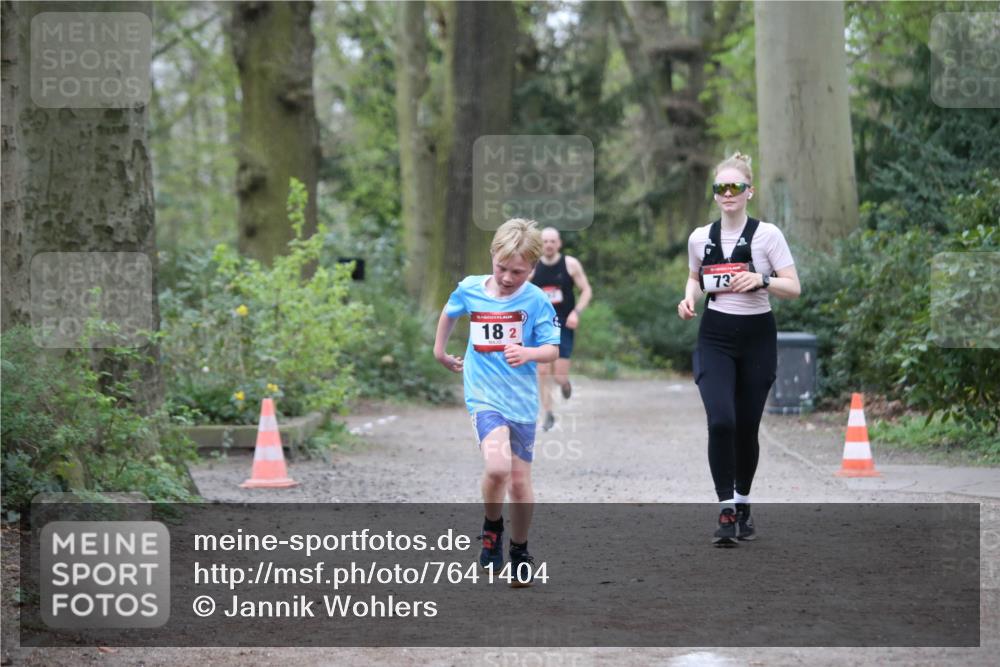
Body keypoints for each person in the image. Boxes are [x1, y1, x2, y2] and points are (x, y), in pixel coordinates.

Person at [677, 152, 801, 547]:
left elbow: (793, 288)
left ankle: (744, 502)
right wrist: (688, 300)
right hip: (715, 336)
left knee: (746, 427)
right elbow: (694, 277)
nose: (727, 193)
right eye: (721, 187)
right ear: (714, 194)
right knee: (722, 421)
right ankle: (726, 507)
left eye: (735, 187)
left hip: (757, 336)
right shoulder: (700, 237)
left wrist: (761, 279)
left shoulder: (768, 235)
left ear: (750, 192)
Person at [433, 218, 561, 585]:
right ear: (492, 256)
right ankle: (492, 529)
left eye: (518, 272)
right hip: (483, 395)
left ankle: (519, 549)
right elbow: (450, 311)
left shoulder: (535, 300)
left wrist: (528, 352)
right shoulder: (471, 289)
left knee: (520, 482)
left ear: (532, 268)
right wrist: (440, 352)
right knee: (497, 468)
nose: (507, 277)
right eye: (501, 268)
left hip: (520, 400)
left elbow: (553, 349)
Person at [530, 227, 592, 431]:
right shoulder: (532, 266)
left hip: (564, 323)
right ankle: (547, 413)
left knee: (558, 376)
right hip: (541, 324)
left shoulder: (570, 264)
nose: (548, 244)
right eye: (545, 241)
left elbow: (586, 291)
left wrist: (576, 312)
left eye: (552, 241)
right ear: (540, 244)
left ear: (559, 243)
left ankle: (565, 384)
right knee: (542, 369)